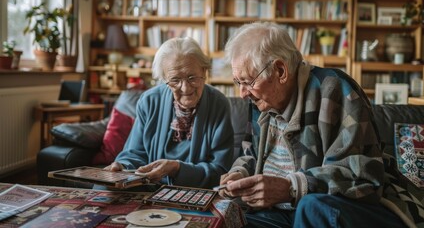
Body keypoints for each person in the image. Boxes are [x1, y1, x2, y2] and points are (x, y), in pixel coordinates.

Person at [218, 22, 406, 227]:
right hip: (278, 214)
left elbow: (362, 175)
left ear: (280, 71)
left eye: (247, 81)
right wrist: (240, 174)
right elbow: (251, 152)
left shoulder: (334, 90)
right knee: (226, 218)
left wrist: (290, 187)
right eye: (238, 82)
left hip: (351, 210)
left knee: (312, 207)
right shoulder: (259, 100)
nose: (242, 93)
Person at [103, 37, 234, 189]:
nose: (185, 88)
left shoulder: (218, 104)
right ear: (164, 79)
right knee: (103, 190)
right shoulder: (149, 101)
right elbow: (134, 154)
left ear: (204, 72)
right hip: (149, 190)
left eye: (192, 78)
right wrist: (122, 167)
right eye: (175, 80)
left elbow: (221, 170)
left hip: (195, 192)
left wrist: (178, 169)